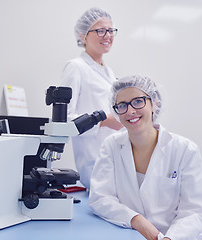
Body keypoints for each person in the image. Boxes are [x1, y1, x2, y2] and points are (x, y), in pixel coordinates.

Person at [89, 75, 202, 240]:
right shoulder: (111, 146)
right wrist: (136, 220)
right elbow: (100, 197)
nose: (130, 111)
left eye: (138, 101)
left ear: (155, 104)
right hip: (131, 235)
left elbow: (194, 212)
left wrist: (168, 239)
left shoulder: (185, 150)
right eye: (122, 105)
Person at [60, 7, 123, 189]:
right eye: (100, 30)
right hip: (93, 162)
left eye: (111, 31)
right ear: (83, 36)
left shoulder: (108, 71)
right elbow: (64, 120)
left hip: (113, 156)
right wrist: (103, 122)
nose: (108, 36)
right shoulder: (75, 67)